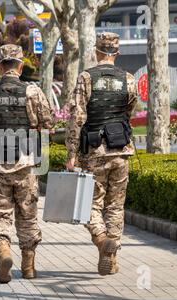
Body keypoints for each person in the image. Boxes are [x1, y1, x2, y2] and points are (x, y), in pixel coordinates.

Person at [0, 44, 53, 283]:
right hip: (26, 164)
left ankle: (4, 253)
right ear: (20, 65)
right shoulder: (32, 92)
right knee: (27, 215)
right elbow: (48, 123)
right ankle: (28, 267)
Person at [65, 32, 138, 276]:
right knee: (116, 207)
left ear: (96, 52)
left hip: (94, 151)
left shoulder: (86, 77)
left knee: (89, 204)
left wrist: (71, 153)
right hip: (121, 149)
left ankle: (100, 239)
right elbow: (129, 111)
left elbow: (77, 117)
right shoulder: (129, 79)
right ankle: (112, 255)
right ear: (116, 53)